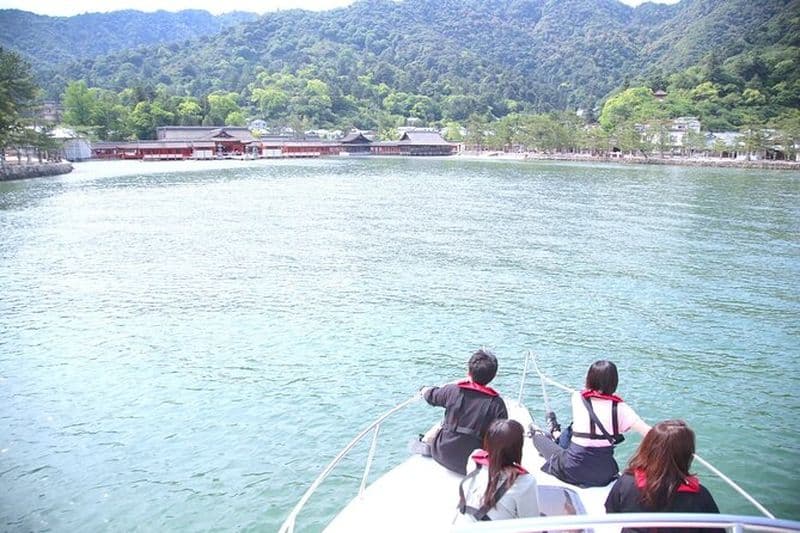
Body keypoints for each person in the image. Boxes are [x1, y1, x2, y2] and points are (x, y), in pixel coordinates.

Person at [531, 360, 650, 487]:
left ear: (589, 379)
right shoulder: (622, 409)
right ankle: (556, 434)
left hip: (573, 468)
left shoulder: (578, 398)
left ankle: (555, 433)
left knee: (537, 437)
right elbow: (650, 433)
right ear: (615, 382)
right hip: (605, 473)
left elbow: (585, 393)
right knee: (573, 432)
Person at [605, 419, 720, 533]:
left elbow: (612, 512)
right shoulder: (700, 496)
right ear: (687, 454)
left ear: (647, 448)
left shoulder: (626, 483)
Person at [422, 348, 508, 475]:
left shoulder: (452, 391)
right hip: (473, 464)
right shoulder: (497, 405)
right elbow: (501, 438)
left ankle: (425, 444)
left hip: (442, 455)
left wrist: (423, 390)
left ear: (468, 371)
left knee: (441, 424)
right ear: (493, 376)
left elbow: (431, 396)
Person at [456, 419, 539, 522]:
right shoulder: (525, 482)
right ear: (517, 448)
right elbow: (531, 524)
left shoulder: (474, 458)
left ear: (487, 441)